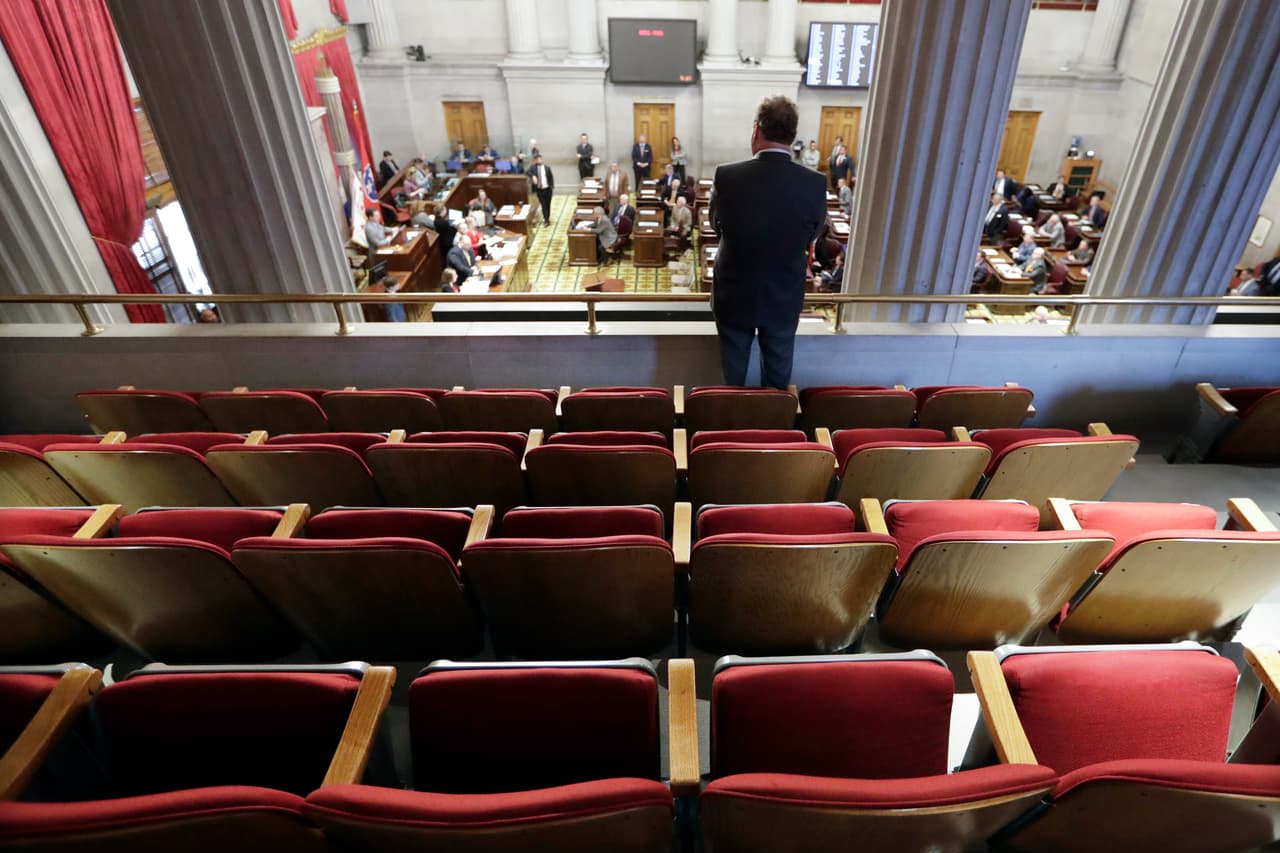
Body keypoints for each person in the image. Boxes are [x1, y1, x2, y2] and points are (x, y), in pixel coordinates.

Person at [709, 95, 826, 389]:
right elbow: (813, 233)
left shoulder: (727, 177)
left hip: (734, 293)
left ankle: (731, 430)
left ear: (756, 129)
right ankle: (775, 430)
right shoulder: (814, 183)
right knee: (778, 377)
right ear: (793, 136)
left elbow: (715, 226)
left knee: (733, 379)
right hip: (784, 294)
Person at [528, 154, 554, 225]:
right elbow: (527, 172)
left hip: (548, 189)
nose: (539, 160)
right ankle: (546, 220)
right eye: (538, 159)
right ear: (535, 160)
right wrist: (533, 176)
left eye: (540, 159)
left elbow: (551, 178)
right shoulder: (533, 168)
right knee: (543, 204)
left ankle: (547, 218)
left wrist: (551, 187)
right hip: (539, 190)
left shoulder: (547, 168)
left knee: (548, 204)